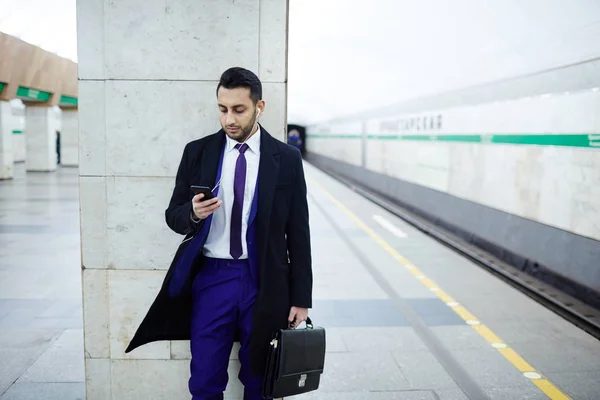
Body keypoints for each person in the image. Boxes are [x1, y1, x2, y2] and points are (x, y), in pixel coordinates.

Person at [126, 67, 313, 400]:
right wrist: (193, 213)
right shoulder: (198, 152)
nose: (229, 118)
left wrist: (301, 298)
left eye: (239, 110)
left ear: (260, 107)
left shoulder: (286, 159)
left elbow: (298, 232)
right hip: (213, 279)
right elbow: (174, 215)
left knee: (260, 379)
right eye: (223, 108)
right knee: (204, 379)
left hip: (265, 282)